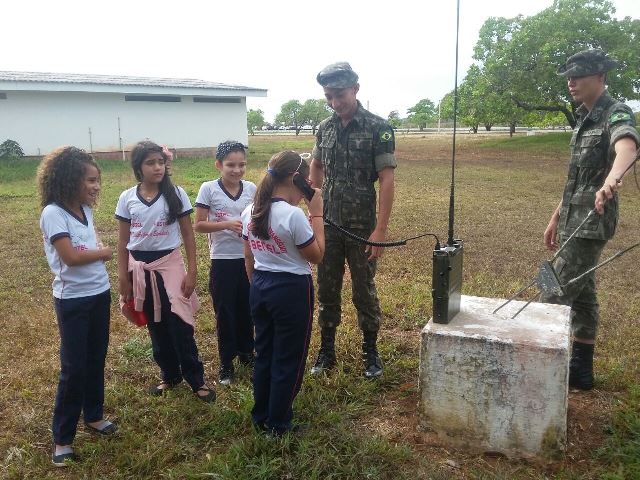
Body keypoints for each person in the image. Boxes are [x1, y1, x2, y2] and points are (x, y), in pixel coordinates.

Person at [541, 49, 639, 390]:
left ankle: (540, 372)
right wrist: (556, 216)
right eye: (569, 76)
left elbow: (627, 146)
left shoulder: (615, 111)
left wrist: (613, 179)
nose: (571, 82)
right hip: (572, 218)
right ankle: (581, 369)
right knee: (583, 294)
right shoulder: (583, 117)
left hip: (591, 222)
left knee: (552, 293)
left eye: (579, 75)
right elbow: (578, 179)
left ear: (600, 77)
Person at [309, 62, 396, 378]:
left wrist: (380, 229)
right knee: (327, 288)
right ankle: (326, 351)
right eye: (328, 97)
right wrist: (314, 208)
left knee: (363, 289)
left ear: (356, 89)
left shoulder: (378, 128)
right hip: (329, 224)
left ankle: (370, 352)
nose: (334, 103)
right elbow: (316, 167)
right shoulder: (325, 128)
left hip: (362, 227)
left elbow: (386, 180)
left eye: (340, 95)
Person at [115, 140, 215, 402]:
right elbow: (123, 241)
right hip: (140, 269)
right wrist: (123, 277)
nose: (157, 167)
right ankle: (169, 375)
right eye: (150, 163)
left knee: (180, 323)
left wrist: (192, 270)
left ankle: (196, 379)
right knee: (155, 324)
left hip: (169, 266)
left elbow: (188, 234)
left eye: (160, 162)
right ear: (138, 167)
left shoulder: (176, 194)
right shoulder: (127, 198)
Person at [38, 146, 116, 467]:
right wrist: (104, 252)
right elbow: (70, 257)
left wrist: (97, 252)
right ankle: (62, 438)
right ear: (70, 179)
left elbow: (87, 245)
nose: (96, 187)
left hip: (100, 293)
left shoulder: (86, 210)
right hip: (72, 301)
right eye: (90, 180)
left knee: (96, 357)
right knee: (74, 368)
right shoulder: (53, 213)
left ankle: (94, 415)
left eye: (97, 180)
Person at [241, 151, 324, 436]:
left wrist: (256, 286)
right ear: (296, 179)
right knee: (289, 358)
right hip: (291, 291)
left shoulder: (248, 211)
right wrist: (317, 213)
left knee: (265, 353)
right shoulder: (293, 216)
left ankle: (261, 414)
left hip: (260, 285)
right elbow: (317, 256)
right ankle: (279, 424)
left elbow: (248, 256)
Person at [194, 141, 257, 385]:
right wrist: (227, 224)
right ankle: (226, 362)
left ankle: (246, 353)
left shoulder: (251, 188)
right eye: (231, 165)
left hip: (249, 258)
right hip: (222, 260)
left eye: (242, 165)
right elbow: (199, 225)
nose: (237, 170)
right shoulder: (208, 189)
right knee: (225, 311)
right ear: (219, 165)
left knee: (247, 308)